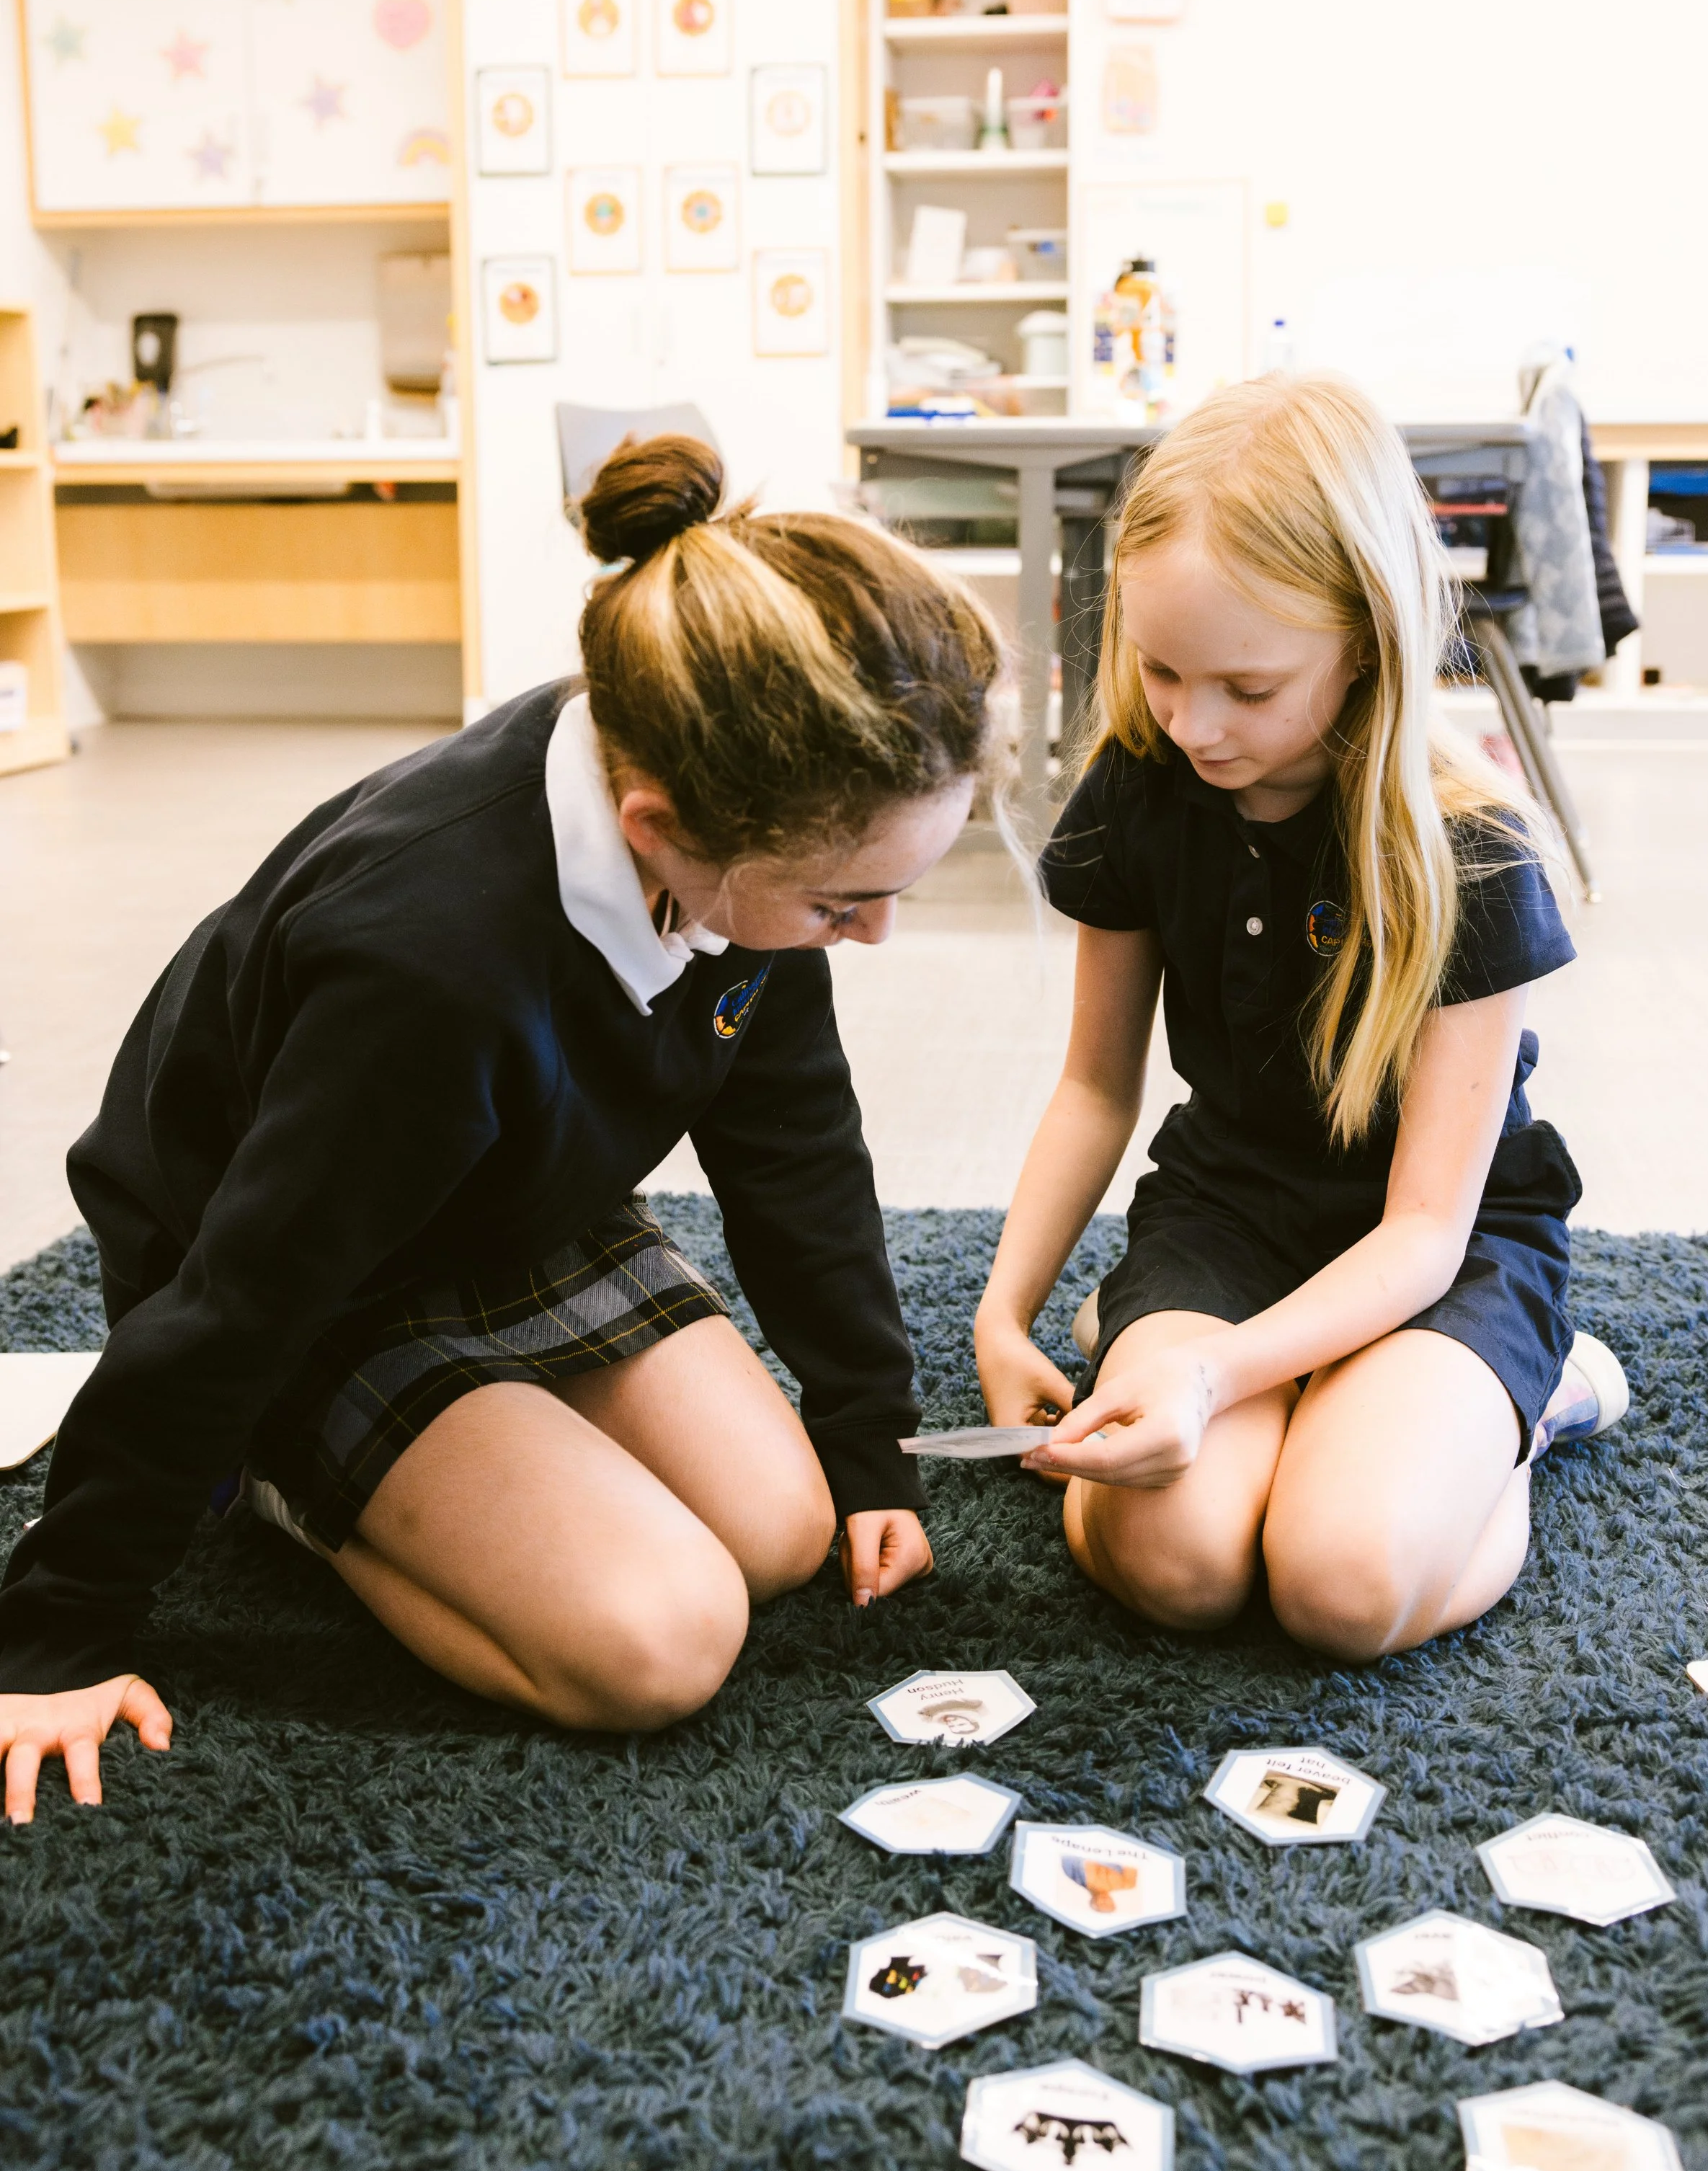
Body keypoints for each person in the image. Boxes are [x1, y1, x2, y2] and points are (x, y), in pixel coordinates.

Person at [0, 432, 1005, 1822]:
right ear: (659, 829)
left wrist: (866, 1435)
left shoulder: (712, 773)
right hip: (311, 1264)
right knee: (663, 1641)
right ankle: (290, 1474)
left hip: (509, 1195)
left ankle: (460, 1461)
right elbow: (245, 1288)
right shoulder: (431, 968)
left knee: (779, 1532)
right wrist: (63, 1624)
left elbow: (796, 1144)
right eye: (844, 905)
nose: (875, 934)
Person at [974, 374, 1627, 1661]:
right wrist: (1004, 1314)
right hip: (1232, 1210)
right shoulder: (1141, 786)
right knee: (1181, 1562)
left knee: (1340, 1583)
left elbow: (1427, 1229)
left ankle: (1526, 1410)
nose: (1193, 723)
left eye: (1248, 688)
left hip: (1439, 1244)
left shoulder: (1470, 848)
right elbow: (1097, 1088)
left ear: (1366, 644)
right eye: (1161, 670)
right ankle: (1260, 1372)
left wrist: (1218, 1376)